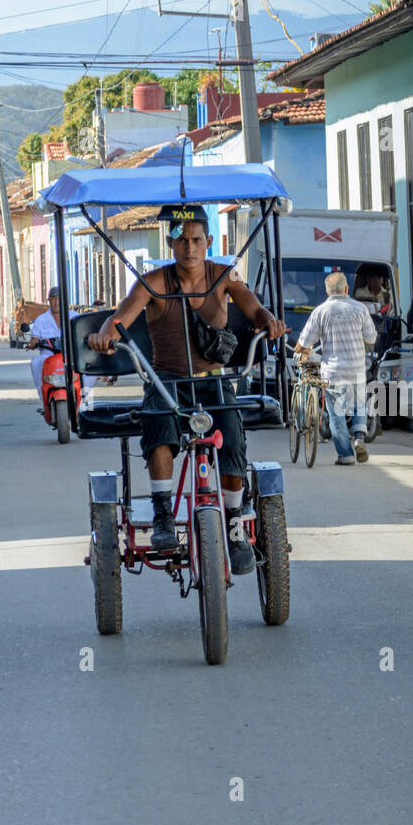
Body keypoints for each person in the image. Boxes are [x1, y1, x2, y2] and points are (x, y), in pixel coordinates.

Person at [86, 204, 287, 574]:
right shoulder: (154, 281)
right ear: (171, 243)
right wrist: (105, 336)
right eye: (181, 239)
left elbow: (254, 308)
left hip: (215, 381)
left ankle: (233, 523)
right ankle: (163, 513)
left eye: (196, 239)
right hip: (167, 383)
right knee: (158, 431)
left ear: (209, 242)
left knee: (233, 439)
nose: (189, 247)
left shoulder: (225, 276)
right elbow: (122, 317)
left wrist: (269, 322)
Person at [294, 271, 377, 465]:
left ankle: (345, 456)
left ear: (326, 291)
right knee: (358, 405)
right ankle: (359, 438)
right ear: (346, 289)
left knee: (337, 414)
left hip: (333, 372)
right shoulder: (360, 309)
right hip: (356, 368)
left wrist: (299, 350)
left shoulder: (321, 311)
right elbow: (371, 338)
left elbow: (305, 341)